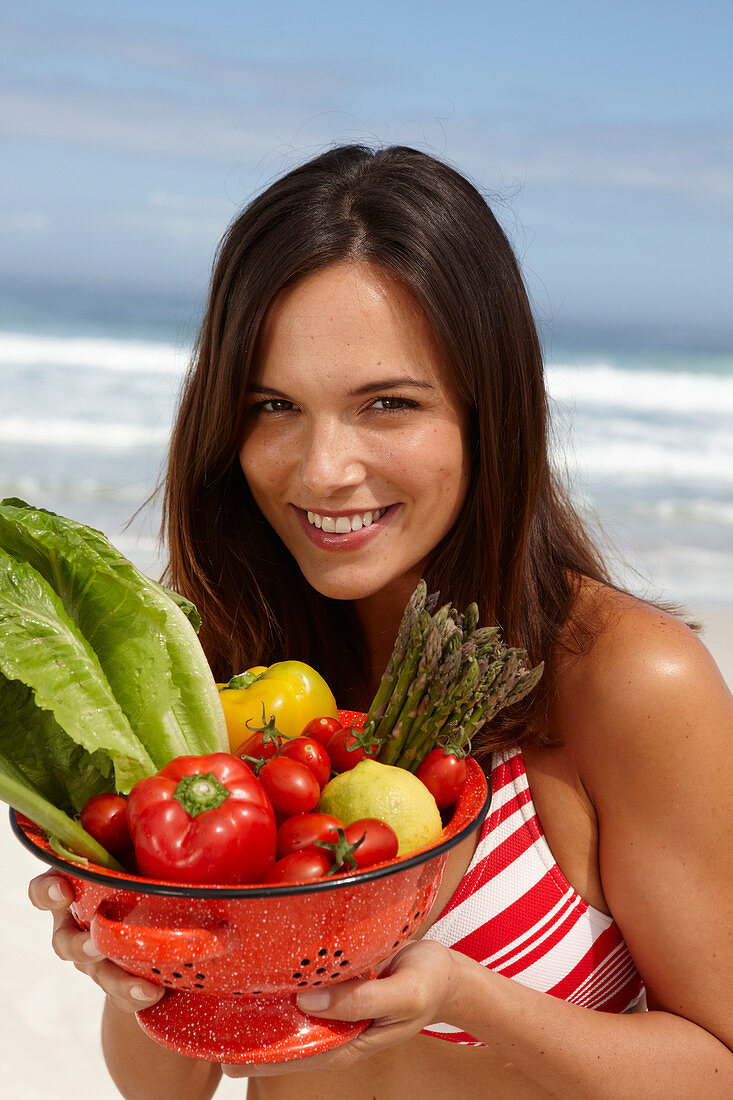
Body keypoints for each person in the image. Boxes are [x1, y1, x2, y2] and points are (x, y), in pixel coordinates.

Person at [30, 145, 733, 1099]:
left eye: (386, 404)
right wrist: (137, 966)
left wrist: (460, 995)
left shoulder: (624, 680)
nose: (322, 470)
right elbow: (169, 1086)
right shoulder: (228, 674)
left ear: (488, 412)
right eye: (274, 405)